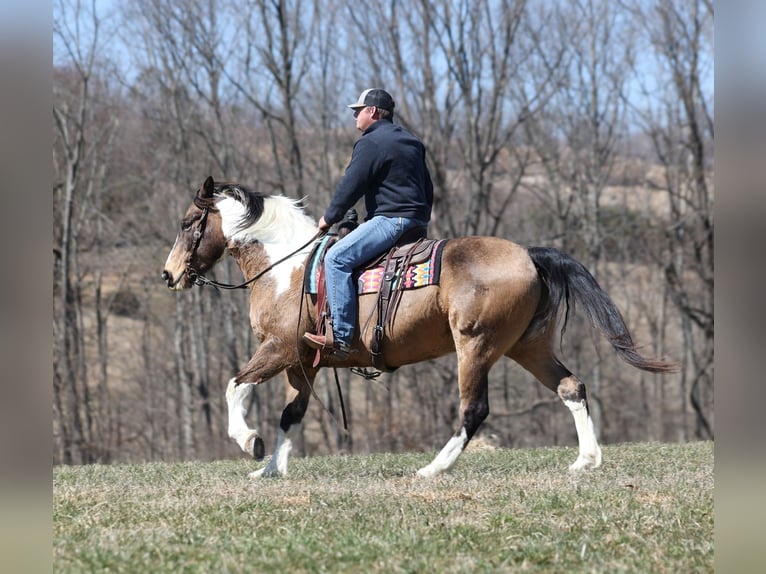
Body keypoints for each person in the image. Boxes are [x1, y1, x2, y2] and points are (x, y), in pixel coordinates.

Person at [303, 88, 434, 358]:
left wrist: (329, 217)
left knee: (336, 258)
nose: (354, 116)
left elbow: (351, 185)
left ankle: (340, 338)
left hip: (391, 221)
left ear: (372, 111)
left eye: (358, 110)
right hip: (416, 222)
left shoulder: (371, 142)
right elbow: (428, 187)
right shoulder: (412, 141)